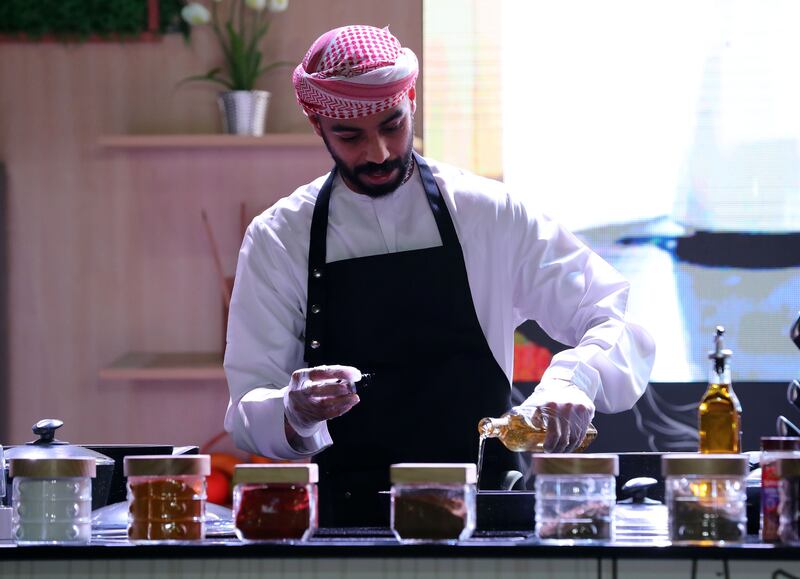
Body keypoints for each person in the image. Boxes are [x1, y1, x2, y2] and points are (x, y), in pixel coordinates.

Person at [223, 24, 656, 526]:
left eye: (392, 125)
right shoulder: (280, 237)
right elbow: (247, 406)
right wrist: (294, 410)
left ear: (411, 101)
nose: (379, 152)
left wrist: (575, 379)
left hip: (486, 518)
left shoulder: (488, 213)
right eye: (350, 136)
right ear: (318, 125)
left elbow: (613, 317)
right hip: (347, 527)